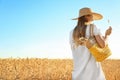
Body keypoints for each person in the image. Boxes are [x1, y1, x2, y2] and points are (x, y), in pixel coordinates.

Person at [69, 7, 112, 80]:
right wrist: (107, 35)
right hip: (94, 74)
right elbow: (103, 45)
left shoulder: (71, 33)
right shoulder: (92, 27)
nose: (93, 16)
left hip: (77, 75)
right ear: (86, 16)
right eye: (91, 15)